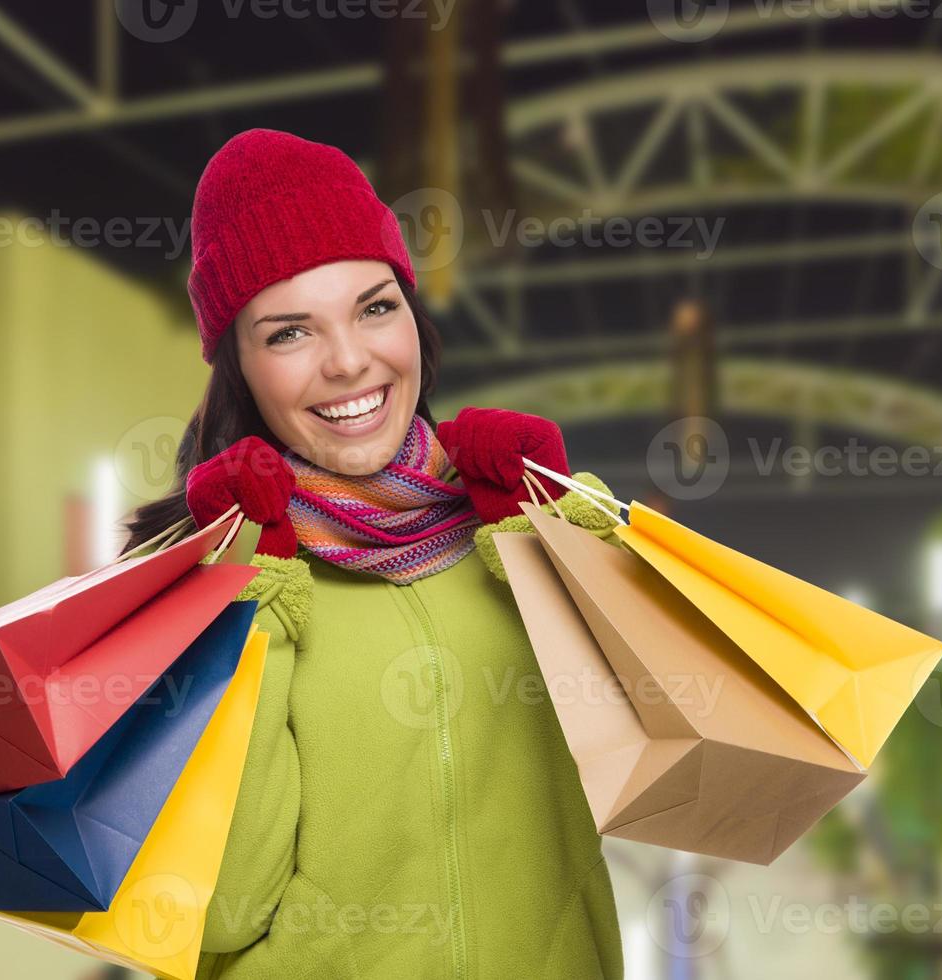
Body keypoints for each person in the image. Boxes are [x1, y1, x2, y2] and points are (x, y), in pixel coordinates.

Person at [120, 128, 625, 979]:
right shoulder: (204, 576)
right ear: (238, 366)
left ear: (413, 316)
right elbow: (222, 909)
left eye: (375, 306)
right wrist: (244, 591)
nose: (350, 361)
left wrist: (556, 532)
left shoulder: (520, 520)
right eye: (288, 333)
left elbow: (673, 762)